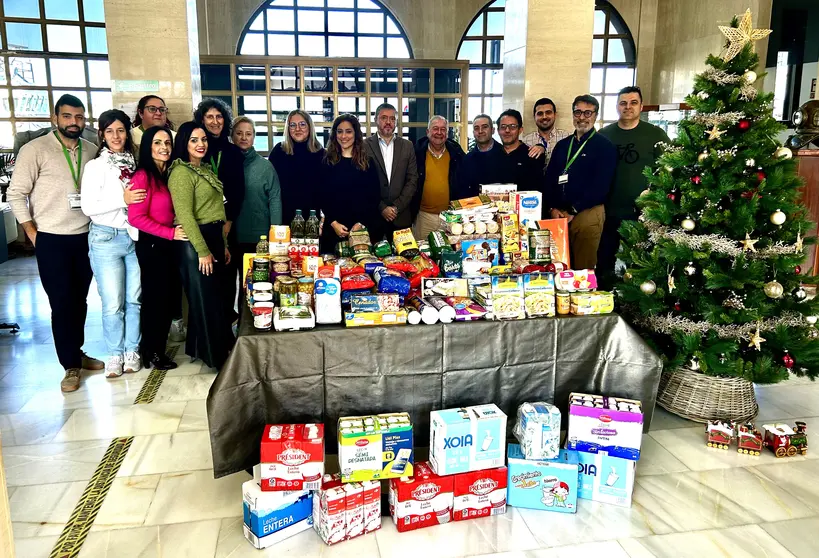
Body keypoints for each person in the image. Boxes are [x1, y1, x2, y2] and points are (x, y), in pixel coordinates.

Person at [7, 94, 104, 392]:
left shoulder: (91, 150)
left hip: (85, 236)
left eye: (78, 117)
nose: (73, 122)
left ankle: (77, 351)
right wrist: (33, 233)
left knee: (80, 300)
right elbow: (15, 194)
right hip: (51, 238)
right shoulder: (34, 149)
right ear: (55, 118)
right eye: (67, 116)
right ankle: (70, 366)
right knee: (61, 302)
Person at [80, 109, 143, 378]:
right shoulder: (96, 166)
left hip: (134, 236)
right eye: (110, 131)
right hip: (106, 238)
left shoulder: (135, 163)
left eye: (120, 130)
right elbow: (88, 207)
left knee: (135, 300)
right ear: (102, 135)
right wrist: (123, 200)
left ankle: (132, 350)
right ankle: (114, 354)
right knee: (112, 303)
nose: (116, 136)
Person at [168, 122, 234, 370]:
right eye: (194, 140)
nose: (201, 144)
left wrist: (223, 245)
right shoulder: (181, 173)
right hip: (197, 241)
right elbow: (185, 215)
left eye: (203, 139)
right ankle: (216, 357)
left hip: (214, 236)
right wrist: (203, 251)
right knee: (206, 300)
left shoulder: (203, 169)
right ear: (184, 143)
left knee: (212, 297)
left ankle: (200, 348)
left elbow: (216, 209)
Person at [597, 86, 670, 289]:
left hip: (642, 212)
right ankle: (606, 299)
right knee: (605, 260)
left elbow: (668, 170)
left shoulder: (655, 135)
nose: (628, 107)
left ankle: (637, 302)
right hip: (608, 210)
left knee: (640, 261)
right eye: (623, 103)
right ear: (617, 106)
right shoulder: (604, 135)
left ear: (641, 106)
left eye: (633, 102)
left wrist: (655, 198)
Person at [128, 126, 188, 371]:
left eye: (167, 143)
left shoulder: (168, 173)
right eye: (157, 143)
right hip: (153, 245)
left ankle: (157, 348)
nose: (164, 147)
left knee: (168, 299)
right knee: (156, 300)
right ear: (147, 147)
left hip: (169, 244)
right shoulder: (143, 176)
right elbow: (136, 218)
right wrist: (170, 233)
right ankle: (152, 352)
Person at [544, 95, 617, 270]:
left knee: (582, 269)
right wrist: (552, 208)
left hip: (587, 212)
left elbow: (601, 186)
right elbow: (549, 179)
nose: (582, 117)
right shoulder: (562, 145)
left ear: (595, 115)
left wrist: (573, 210)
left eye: (587, 113)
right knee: (558, 266)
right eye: (578, 112)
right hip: (559, 214)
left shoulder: (604, 146)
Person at [193, 99, 245, 323]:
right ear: (202, 120)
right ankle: (210, 328)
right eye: (209, 117)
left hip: (227, 223)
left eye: (219, 117)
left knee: (227, 273)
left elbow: (237, 190)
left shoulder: (233, 152)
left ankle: (228, 321)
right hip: (202, 225)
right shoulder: (197, 150)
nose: (215, 122)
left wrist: (229, 221)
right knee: (206, 277)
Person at [317, 114, 381, 254]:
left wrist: (360, 223)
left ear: (356, 134)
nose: (343, 136)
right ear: (334, 134)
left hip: (360, 231)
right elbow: (321, 196)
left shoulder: (367, 162)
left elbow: (374, 196)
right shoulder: (327, 161)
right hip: (332, 229)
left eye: (348, 131)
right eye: (339, 131)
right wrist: (333, 223)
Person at [364, 103, 418, 241]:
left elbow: (412, 180)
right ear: (376, 120)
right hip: (374, 215)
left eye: (392, 119)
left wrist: (395, 207)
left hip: (401, 217)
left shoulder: (407, 146)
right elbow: (361, 182)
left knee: (404, 260)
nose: (388, 122)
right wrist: (382, 207)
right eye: (384, 118)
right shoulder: (364, 146)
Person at [231, 116, 282, 255]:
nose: (244, 138)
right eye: (239, 133)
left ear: (254, 137)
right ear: (232, 136)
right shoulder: (224, 164)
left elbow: (275, 200)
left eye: (248, 134)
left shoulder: (265, 167)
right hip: (229, 235)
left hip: (259, 237)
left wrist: (275, 234)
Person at [411, 115, 465, 240]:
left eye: (443, 129)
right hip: (424, 217)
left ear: (447, 133)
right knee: (422, 253)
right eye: (435, 128)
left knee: (448, 253)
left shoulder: (456, 153)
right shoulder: (416, 152)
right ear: (427, 132)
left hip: (450, 217)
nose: (439, 133)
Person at [268, 110, 325, 226]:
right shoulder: (279, 151)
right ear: (288, 129)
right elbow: (270, 186)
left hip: (312, 218)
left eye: (302, 124)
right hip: (283, 217)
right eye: (293, 125)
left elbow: (326, 191)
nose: (297, 129)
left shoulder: (322, 154)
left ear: (310, 127)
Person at [457, 114, 511, 198]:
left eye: (485, 127)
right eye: (476, 128)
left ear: (493, 130)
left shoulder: (506, 155)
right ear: (473, 133)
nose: (480, 131)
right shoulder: (467, 160)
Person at [497, 109, 545, 191]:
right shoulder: (492, 155)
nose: (507, 130)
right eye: (503, 127)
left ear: (520, 130)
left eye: (512, 126)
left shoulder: (532, 155)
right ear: (498, 131)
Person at [521, 97, 569, 169]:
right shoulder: (526, 141)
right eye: (540, 114)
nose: (544, 117)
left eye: (548, 112)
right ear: (534, 117)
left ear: (555, 115)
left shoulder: (566, 138)